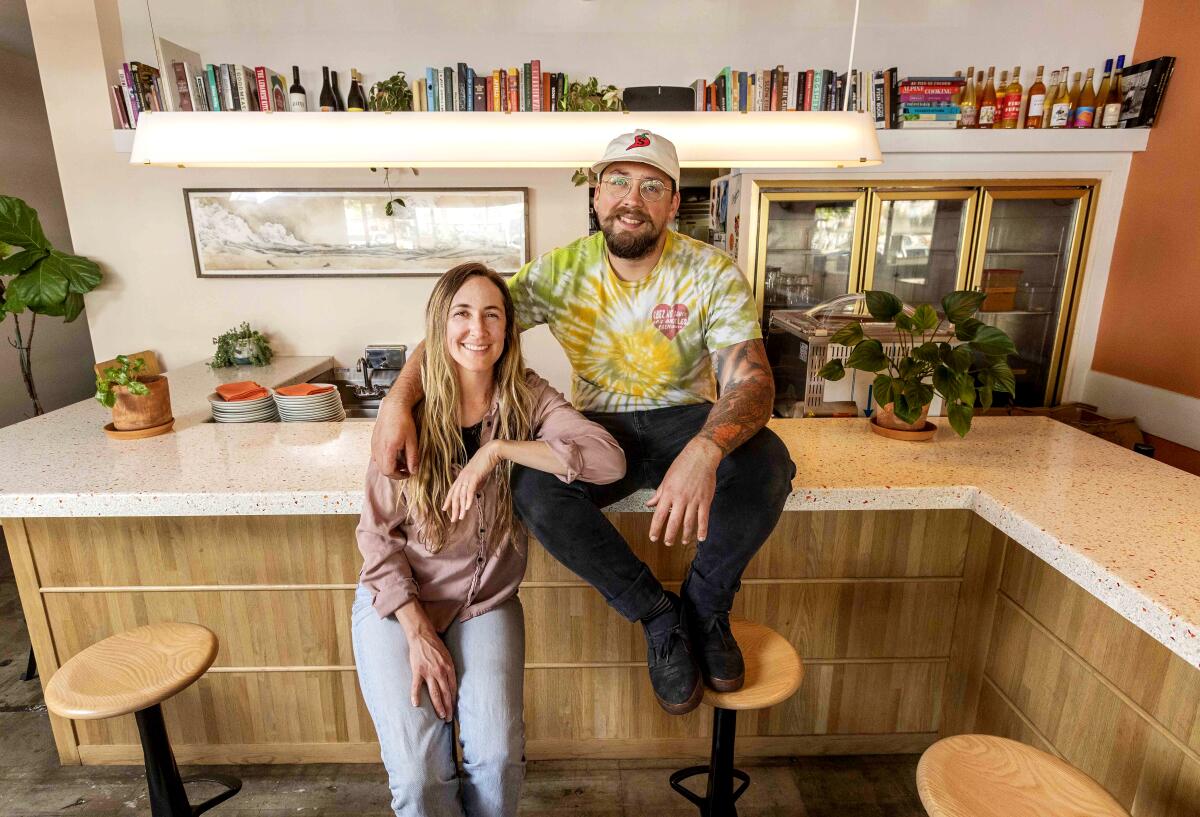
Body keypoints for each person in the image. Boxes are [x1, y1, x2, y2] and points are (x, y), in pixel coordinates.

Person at [371, 130, 795, 716]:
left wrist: (703, 450)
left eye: (651, 186)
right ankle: (657, 615)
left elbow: (752, 382)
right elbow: (465, 322)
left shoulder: (712, 271)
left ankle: (706, 605)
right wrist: (397, 402)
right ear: (596, 196)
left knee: (768, 462)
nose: (631, 197)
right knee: (533, 487)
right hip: (599, 424)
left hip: (688, 421)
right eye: (618, 182)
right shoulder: (561, 272)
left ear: (673, 204)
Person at [353, 262, 625, 817]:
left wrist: (496, 452)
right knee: (420, 776)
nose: (478, 330)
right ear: (439, 325)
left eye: (492, 315)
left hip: (485, 601)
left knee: (498, 761)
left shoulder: (527, 398)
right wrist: (417, 630)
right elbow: (376, 536)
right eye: (462, 314)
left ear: (509, 330)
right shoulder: (407, 414)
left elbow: (609, 460)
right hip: (398, 603)